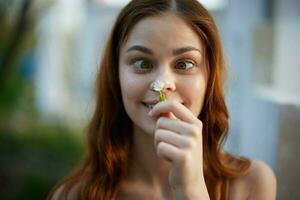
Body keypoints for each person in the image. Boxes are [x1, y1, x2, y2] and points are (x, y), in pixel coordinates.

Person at [48, 0, 277, 199]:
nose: (163, 83)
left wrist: (192, 191)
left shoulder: (252, 184)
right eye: (142, 63)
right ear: (115, 74)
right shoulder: (74, 195)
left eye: (184, 64)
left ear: (209, 76)